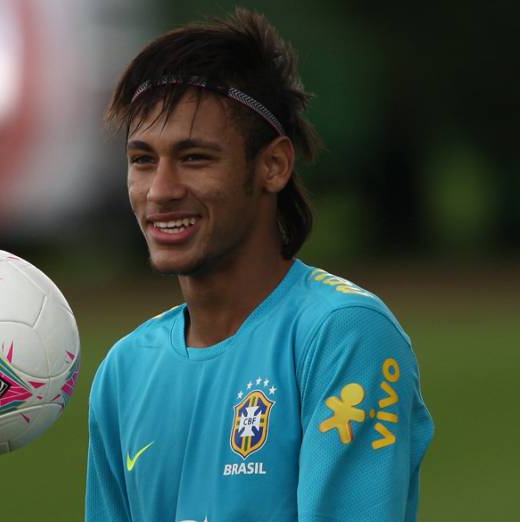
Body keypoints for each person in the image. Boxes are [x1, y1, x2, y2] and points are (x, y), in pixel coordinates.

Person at [85, 8, 433, 522]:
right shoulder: (124, 369)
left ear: (273, 165)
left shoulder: (343, 334)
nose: (160, 191)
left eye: (195, 158)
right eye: (142, 160)